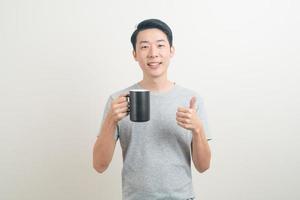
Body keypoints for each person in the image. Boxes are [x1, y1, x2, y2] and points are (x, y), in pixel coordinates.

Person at [93, 19, 212, 200]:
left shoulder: (191, 100)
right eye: (144, 47)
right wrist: (111, 120)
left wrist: (198, 129)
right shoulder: (118, 101)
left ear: (171, 51)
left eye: (160, 45)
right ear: (134, 54)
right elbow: (99, 165)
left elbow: (203, 166)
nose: (153, 53)